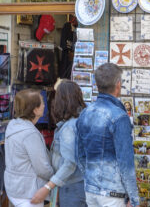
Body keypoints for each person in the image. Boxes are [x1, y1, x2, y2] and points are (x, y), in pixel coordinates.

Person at [76, 63, 140, 207]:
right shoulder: (119, 116)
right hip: (113, 193)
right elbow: (126, 163)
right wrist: (134, 199)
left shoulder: (85, 113)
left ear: (97, 85)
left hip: (91, 190)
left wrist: (90, 178)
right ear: (118, 84)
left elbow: (79, 155)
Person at [30, 80, 87, 206]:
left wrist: (47, 188)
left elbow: (69, 163)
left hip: (72, 186)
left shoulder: (69, 128)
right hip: (79, 184)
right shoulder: (83, 119)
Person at [4, 89, 54, 207]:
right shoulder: (30, 134)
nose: (44, 105)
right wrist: (56, 178)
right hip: (27, 192)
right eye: (42, 102)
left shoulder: (13, 125)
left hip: (15, 187)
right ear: (35, 109)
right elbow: (42, 168)